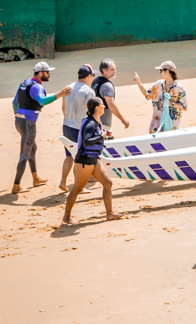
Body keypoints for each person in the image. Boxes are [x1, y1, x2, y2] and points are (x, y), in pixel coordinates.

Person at [61, 97, 125, 224]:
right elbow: (86, 141)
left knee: (108, 183)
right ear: (96, 108)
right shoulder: (91, 123)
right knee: (77, 189)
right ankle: (66, 217)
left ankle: (109, 213)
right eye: (102, 105)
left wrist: (103, 134)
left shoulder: (95, 121)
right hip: (84, 161)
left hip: (93, 159)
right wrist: (102, 136)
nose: (104, 106)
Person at [12, 61, 72, 194]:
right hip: (28, 123)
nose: (49, 74)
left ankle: (35, 178)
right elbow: (42, 100)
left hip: (19, 121)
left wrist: (18, 115)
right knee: (24, 154)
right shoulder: (37, 87)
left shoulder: (24, 83)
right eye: (47, 72)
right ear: (40, 73)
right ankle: (16, 186)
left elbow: (14, 103)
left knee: (33, 147)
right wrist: (59, 94)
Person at [60, 64, 98, 191]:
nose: (93, 78)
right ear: (88, 76)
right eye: (92, 75)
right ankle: (79, 187)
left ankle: (63, 182)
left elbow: (63, 107)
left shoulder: (68, 87)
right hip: (79, 128)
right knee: (80, 159)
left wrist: (68, 119)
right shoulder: (88, 91)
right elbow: (92, 110)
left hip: (67, 126)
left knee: (69, 156)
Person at [134, 61, 187, 133]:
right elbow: (147, 94)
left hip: (173, 126)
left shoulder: (179, 88)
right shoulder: (158, 84)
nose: (159, 73)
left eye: (161, 71)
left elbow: (184, 106)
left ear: (167, 71)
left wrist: (171, 103)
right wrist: (138, 82)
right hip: (157, 125)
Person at [91, 58, 130, 139]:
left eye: (114, 69)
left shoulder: (95, 81)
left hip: (94, 120)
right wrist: (123, 120)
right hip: (104, 124)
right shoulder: (107, 86)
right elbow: (111, 105)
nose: (115, 71)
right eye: (112, 70)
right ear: (104, 71)